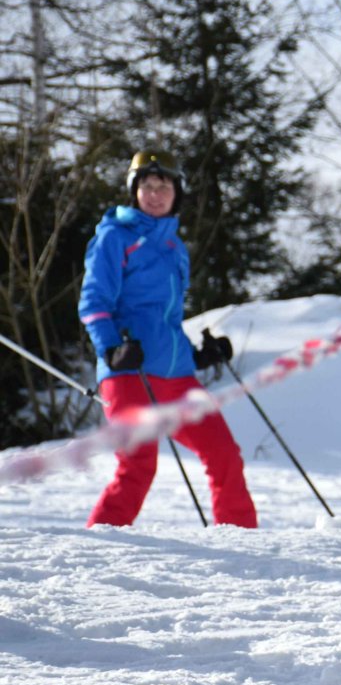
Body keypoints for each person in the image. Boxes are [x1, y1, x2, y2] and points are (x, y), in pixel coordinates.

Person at [80, 150, 257, 528]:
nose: (155, 194)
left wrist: (198, 355)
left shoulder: (175, 248)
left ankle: (242, 541)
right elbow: (94, 302)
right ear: (134, 191)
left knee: (224, 454)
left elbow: (166, 320)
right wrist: (111, 350)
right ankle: (99, 545)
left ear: (177, 193)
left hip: (176, 374)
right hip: (129, 372)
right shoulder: (114, 236)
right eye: (146, 186)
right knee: (138, 467)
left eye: (163, 187)